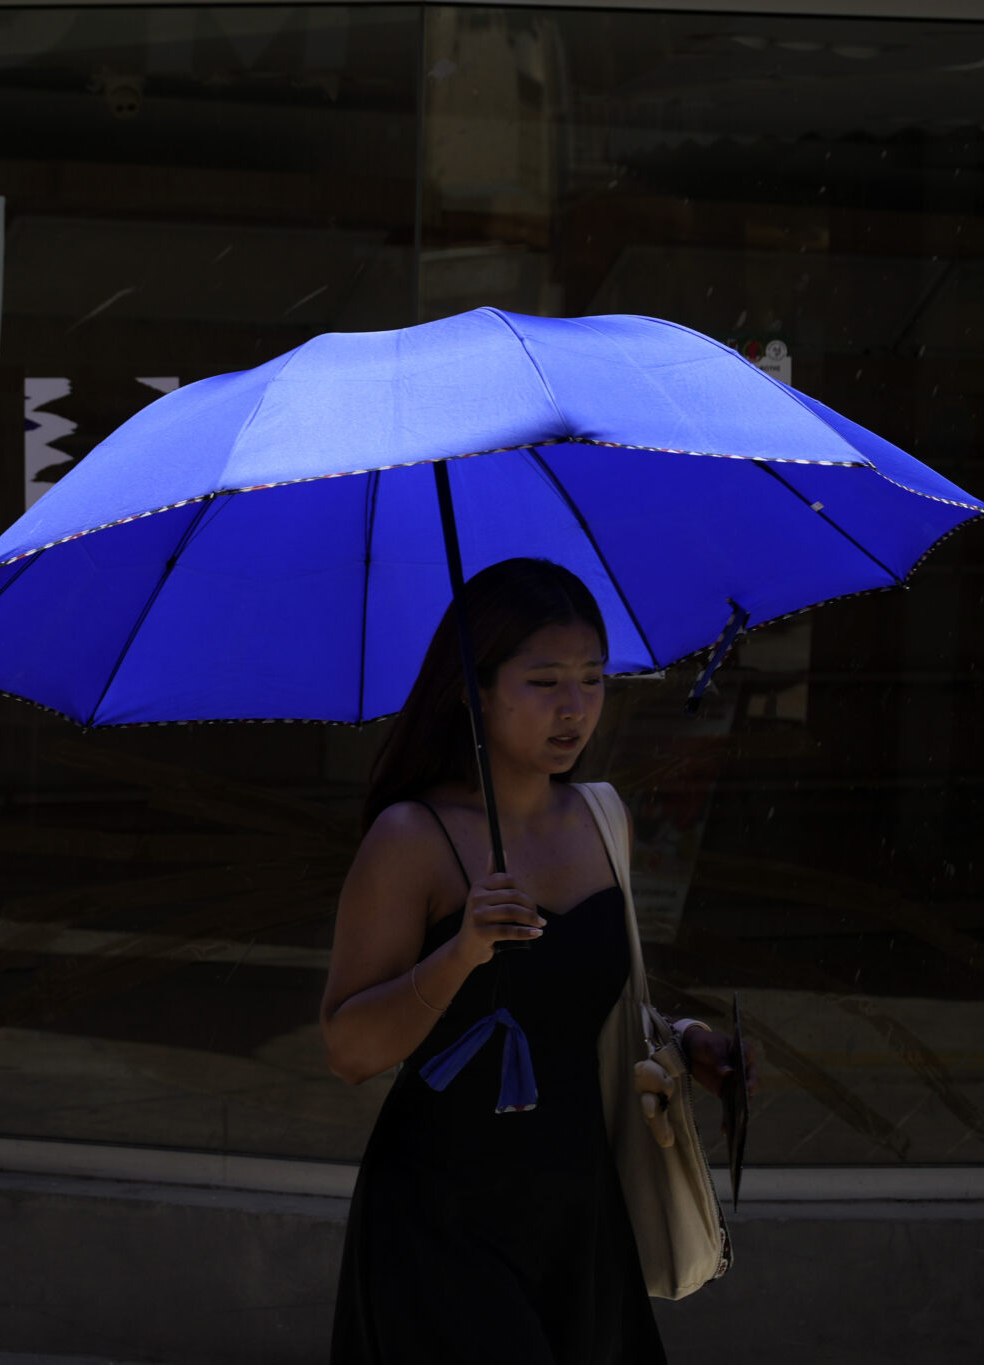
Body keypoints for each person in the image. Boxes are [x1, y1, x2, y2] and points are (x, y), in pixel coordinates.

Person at [323, 557, 754, 1364]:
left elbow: (577, 1005)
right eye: (546, 680)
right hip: (439, 1218)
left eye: (593, 679)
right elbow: (348, 1049)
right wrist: (462, 951)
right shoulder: (412, 838)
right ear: (474, 689)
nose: (575, 708)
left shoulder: (603, 817)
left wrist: (686, 1039)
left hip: (580, 1208)